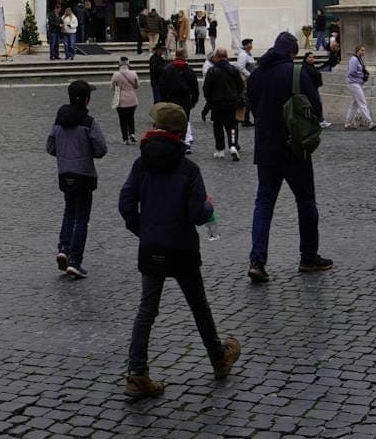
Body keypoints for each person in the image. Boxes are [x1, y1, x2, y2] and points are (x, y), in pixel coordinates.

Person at [118, 102, 240, 399]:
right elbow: (197, 213)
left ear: (157, 128)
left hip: (151, 246)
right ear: (180, 132)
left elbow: (125, 203)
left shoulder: (141, 164)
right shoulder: (189, 169)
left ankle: (137, 373)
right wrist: (207, 206)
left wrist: (143, 230)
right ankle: (218, 358)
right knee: (198, 305)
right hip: (182, 246)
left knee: (146, 310)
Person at [244, 31, 331, 281]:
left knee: (263, 205)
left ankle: (257, 261)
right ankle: (308, 257)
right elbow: (315, 107)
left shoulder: (256, 74)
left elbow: (252, 105)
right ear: (292, 52)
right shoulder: (296, 73)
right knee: (306, 203)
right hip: (295, 149)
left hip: (265, 149)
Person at [47, 80, 109, 278]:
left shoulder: (59, 121)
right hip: (84, 174)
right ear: (87, 100)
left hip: (65, 173)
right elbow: (101, 149)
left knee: (69, 212)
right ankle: (75, 260)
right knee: (82, 217)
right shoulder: (89, 122)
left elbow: (50, 146)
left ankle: (63, 249)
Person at [203, 48, 245, 160]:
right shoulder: (234, 69)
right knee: (232, 126)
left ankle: (220, 149)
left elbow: (206, 89)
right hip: (231, 103)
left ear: (216, 57)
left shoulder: (212, 71)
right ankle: (232, 145)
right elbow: (241, 86)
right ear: (227, 56)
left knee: (218, 126)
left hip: (216, 103)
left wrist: (210, 99)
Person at [160, 52, 200, 150]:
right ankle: (185, 141)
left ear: (176, 56)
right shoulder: (189, 70)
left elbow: (163, 87)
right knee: (185, 120)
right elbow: (195, 87)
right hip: (185, 99)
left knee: (172, 121)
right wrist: (194, 100)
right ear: (184, 56)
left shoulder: (167, 69)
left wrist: (163, 101)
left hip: (171, 99)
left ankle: (173, 142)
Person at [342, 45, 376, 129]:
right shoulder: (354, 59)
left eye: (364, 50)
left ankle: (348, 123)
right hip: (354, 83)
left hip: (357, 83)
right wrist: (362, 75)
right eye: (362, 50)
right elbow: (351, 72)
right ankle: (370, 122)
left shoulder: (359, 59)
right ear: (357, 50)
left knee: (354, 104)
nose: (364, 52)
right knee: (362, 102)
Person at [299, 51, 331, 129]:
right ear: (306, 58)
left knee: (318, 104)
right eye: (310, 57)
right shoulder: (304, 67)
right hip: (309, 89)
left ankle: (320, 120)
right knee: (316, 104)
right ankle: (319, 120)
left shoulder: (311, 66)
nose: (312, 59)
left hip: (314, 88)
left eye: (313, 57)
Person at [111, 58, 140, 143]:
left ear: (119, 64)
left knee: (122, 119)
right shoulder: (133, 73)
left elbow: (112, 88)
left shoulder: (116, 74)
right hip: (132, 99)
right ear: (128, 64)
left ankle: (125, 139)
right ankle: (132, 134)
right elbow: (137, 86)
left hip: (121, 100)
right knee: (131, 117)